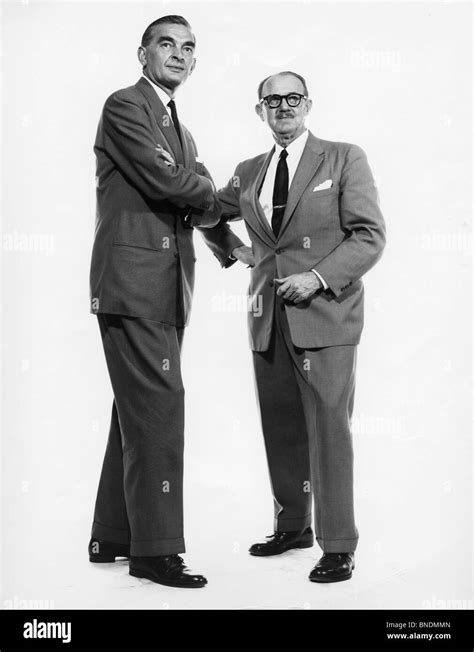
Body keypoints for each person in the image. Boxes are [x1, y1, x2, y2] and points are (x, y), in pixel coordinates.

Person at [201, 71, 386, 583]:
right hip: (267, 317)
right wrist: (230, 248)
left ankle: (339, 545)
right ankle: (293, 526)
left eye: (292, 98)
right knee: (280, 426)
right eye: (272, 100)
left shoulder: (344, 157)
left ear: (308, 104)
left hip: (326, 316)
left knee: (330, 430)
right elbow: (204, 211)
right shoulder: (248, 171)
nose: (283, 107)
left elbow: (369, 236)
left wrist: (318, 277)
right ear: (259, 110)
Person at [88, 15, 240, 588]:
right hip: (133, 283)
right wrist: (240, 198)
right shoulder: (125, 106)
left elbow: (190, 198)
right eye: (166, 44)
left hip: (164, 288)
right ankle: (155, 553)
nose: (178, 54)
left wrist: (234, 248)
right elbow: (172, 186)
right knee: (160, 407)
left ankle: (114, 536)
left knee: (136, 410)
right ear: (143, 53)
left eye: (188, 48)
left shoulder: (180, 127)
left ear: (195, 63)